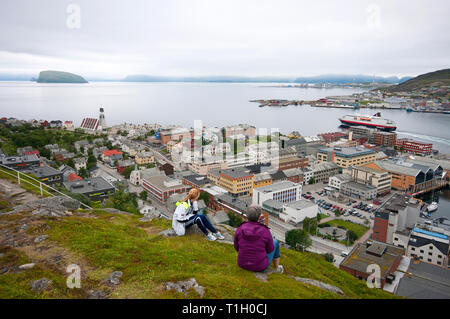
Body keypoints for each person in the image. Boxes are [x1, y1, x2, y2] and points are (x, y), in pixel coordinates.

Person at [233, 205, 283, 273]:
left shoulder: (240, 228)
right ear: (259, 216)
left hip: (242, 264)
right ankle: (277, 268)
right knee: (275, 242)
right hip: (260, 266)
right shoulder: (265, 231)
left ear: (247, 215)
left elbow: (236, 247)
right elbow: (270, 250)